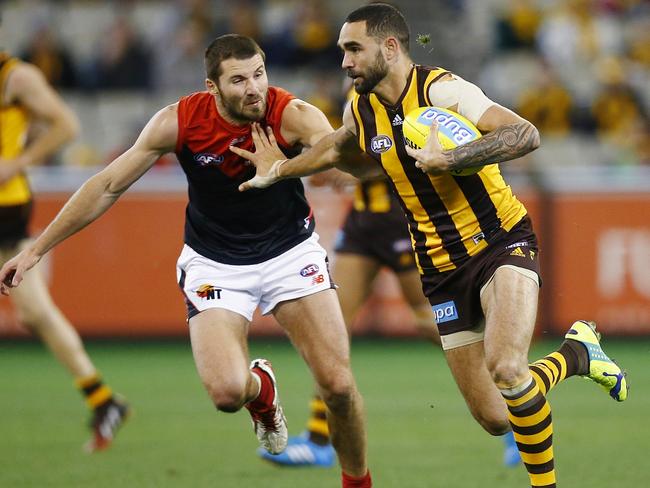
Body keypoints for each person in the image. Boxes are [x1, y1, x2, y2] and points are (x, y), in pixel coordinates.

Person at [231, 5, 628, 487]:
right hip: (439, 267)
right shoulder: (362, 107)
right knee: (497, 416)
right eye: (342, 51)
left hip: (500, 241)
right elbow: (342, 152)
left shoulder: (442, 90)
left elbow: (526, 133)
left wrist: (454, 157)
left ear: (391, 47)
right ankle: (576, 354)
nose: (345, 62)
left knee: (506, 367)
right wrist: (280, 169)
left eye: (353, 49)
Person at [0, 35, 371, 488]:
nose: (253, 88)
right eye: (238, 80)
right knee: (227, 393)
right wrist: (36, 249)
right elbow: (108, 185)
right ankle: (262, 392)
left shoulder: (291, 114)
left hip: (290, 252)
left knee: (337, 385)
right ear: (212, 87)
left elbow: (344, 165)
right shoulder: (179, 121)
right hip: (214, 262)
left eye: (259, 73)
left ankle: (358, 482)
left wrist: (288, 167)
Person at [259, 170, 441, 468]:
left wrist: (345, 169)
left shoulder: (400, 122)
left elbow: (395, 157)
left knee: (429, 321)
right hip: (362, 224)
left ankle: (506, 394)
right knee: (331, 327)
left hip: (401, 220)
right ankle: (318, 440)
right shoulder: (353, 120)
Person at [0, 50, 129, 452]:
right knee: (33, 311)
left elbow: (66, 125)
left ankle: (104, 400)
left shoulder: (14, 76)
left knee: (34, 309)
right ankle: (103, 400)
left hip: (5, 203)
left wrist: (16, 162)